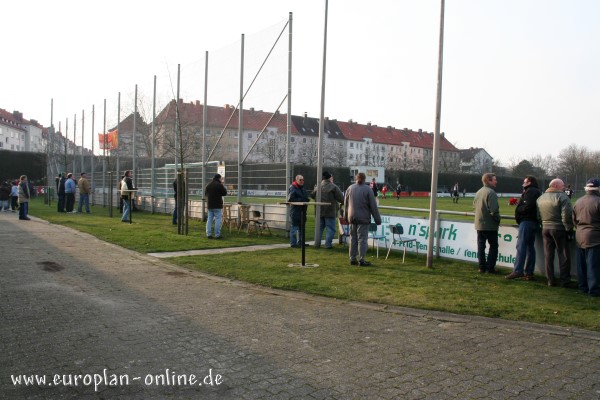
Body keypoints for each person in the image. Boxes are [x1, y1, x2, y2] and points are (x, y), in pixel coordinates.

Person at [536, 178, 574, 287]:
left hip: (545, 228)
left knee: (548, 255)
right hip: (559, 228)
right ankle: (565, 280)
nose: (564, 187)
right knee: (563, 255)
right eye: (562, 185)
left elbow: (538, 215)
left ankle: (550, 280)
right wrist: (569, 229)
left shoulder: (540, 198)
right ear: (556, 185)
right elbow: (566, 215)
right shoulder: (562, 197)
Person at [505, 175, 542, 281]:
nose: (523, 183)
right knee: (530, 247)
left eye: (525, 181)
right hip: (532, 222)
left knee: (521, 246)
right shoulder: (535, 191)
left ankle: (518, 270)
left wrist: (519, 209)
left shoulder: (530, 192)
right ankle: (528, 272)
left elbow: (528, 206)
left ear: (529, 182)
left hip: (527, 221)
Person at [344, 172, 382, 266]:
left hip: (352, 217)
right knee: (362, 239)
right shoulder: (368, 190)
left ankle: (352, 258)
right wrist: (378, 220)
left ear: (356, 178)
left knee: (353, 239)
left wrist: (346, 217)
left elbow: (346, 204)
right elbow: (373, 206)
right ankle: (361, 259)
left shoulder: (350, 188)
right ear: (365, 179)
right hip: (363, 218)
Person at [572, 178, 600, 297]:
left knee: (581, 264)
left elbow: (574, 220)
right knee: (593, 265)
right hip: (594, 237)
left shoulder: (578, 201)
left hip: (579, 235)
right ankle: (594, 289)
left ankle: (583, 286)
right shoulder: (598, 201)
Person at [473, 173, 501, 274]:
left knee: (481, 246)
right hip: (490, 225)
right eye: (494, 179)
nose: (496, 181)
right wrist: (498, 220)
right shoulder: (491, 192)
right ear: (488, 180)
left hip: (479, 224)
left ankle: (481, 267)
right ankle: (490, 268)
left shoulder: (479, 192)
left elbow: (474, 206)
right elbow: (494, 210)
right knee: (493, 246)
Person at [311, 171, 344, 249]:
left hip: (319, 211)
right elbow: (341, 199)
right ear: (330, 178)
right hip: (330, 211)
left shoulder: (318, 186)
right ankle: (328, 244)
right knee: (331, 229)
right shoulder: (333, 186)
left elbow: (312, 195)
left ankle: (317, 243)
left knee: (319, 228)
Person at [287, 175, 310, 248]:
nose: (302, 181)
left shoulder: (303, 188)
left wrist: (306, 199)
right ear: (296, 180)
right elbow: (290, 199)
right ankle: (293, 244)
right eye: (300, 180)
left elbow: (305, 197)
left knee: (301, 229)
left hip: (303, 211)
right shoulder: (293, 188)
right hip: (295, 212)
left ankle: (301, 242)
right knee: (294, 228)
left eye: (303, 180)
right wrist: (302, 200)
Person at [205, 174, 227, 239]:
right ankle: (217, 235)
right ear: (218, 178)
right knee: (218, 220)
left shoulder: (208, 185)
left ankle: (208, 234)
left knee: (209, 220)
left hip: (210, 205)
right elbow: (224, 193)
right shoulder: (219, 185)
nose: (221, 180)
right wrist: (222, 185)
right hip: (217, 205)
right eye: (221, 179)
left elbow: (205, 194)